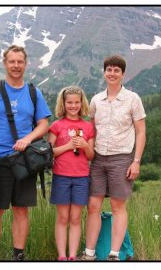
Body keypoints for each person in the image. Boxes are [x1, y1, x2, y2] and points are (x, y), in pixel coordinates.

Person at [0, 45, 51, 261]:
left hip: (24, 161)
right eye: (12, 61)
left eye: (20, 62)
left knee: (21, 209)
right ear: (5, 63)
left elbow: (44, 124)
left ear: (25, 64)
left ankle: (18, 256)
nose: (16, 66)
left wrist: (27, 139)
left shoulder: (34, 93)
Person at [81, 55, 146, 261]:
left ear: (122, 74)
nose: (112, 73)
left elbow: (141, 132)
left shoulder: (132, 99)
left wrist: (136, 161)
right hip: (98, 159)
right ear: (104, 72)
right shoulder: (96, 100)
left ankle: (114, 254)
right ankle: (89, 253)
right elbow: (91, 129)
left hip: (122, 158)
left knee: (118, 206)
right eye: (109, 69)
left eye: (116, 70)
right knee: (93, 206)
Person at [48, 86, 95, 261]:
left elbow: (91, 156)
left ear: (81, 103)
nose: (73, 106)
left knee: (75, 218)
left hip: (82, 177)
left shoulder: (88, 127)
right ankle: (61, 255)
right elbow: (49, 152)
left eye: (76, 102)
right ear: (64, 103)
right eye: (70, 102)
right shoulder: (56, 125)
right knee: (62, 217)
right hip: (61, 176)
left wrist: (85, 146)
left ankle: (73, 256)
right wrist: (68, 146)